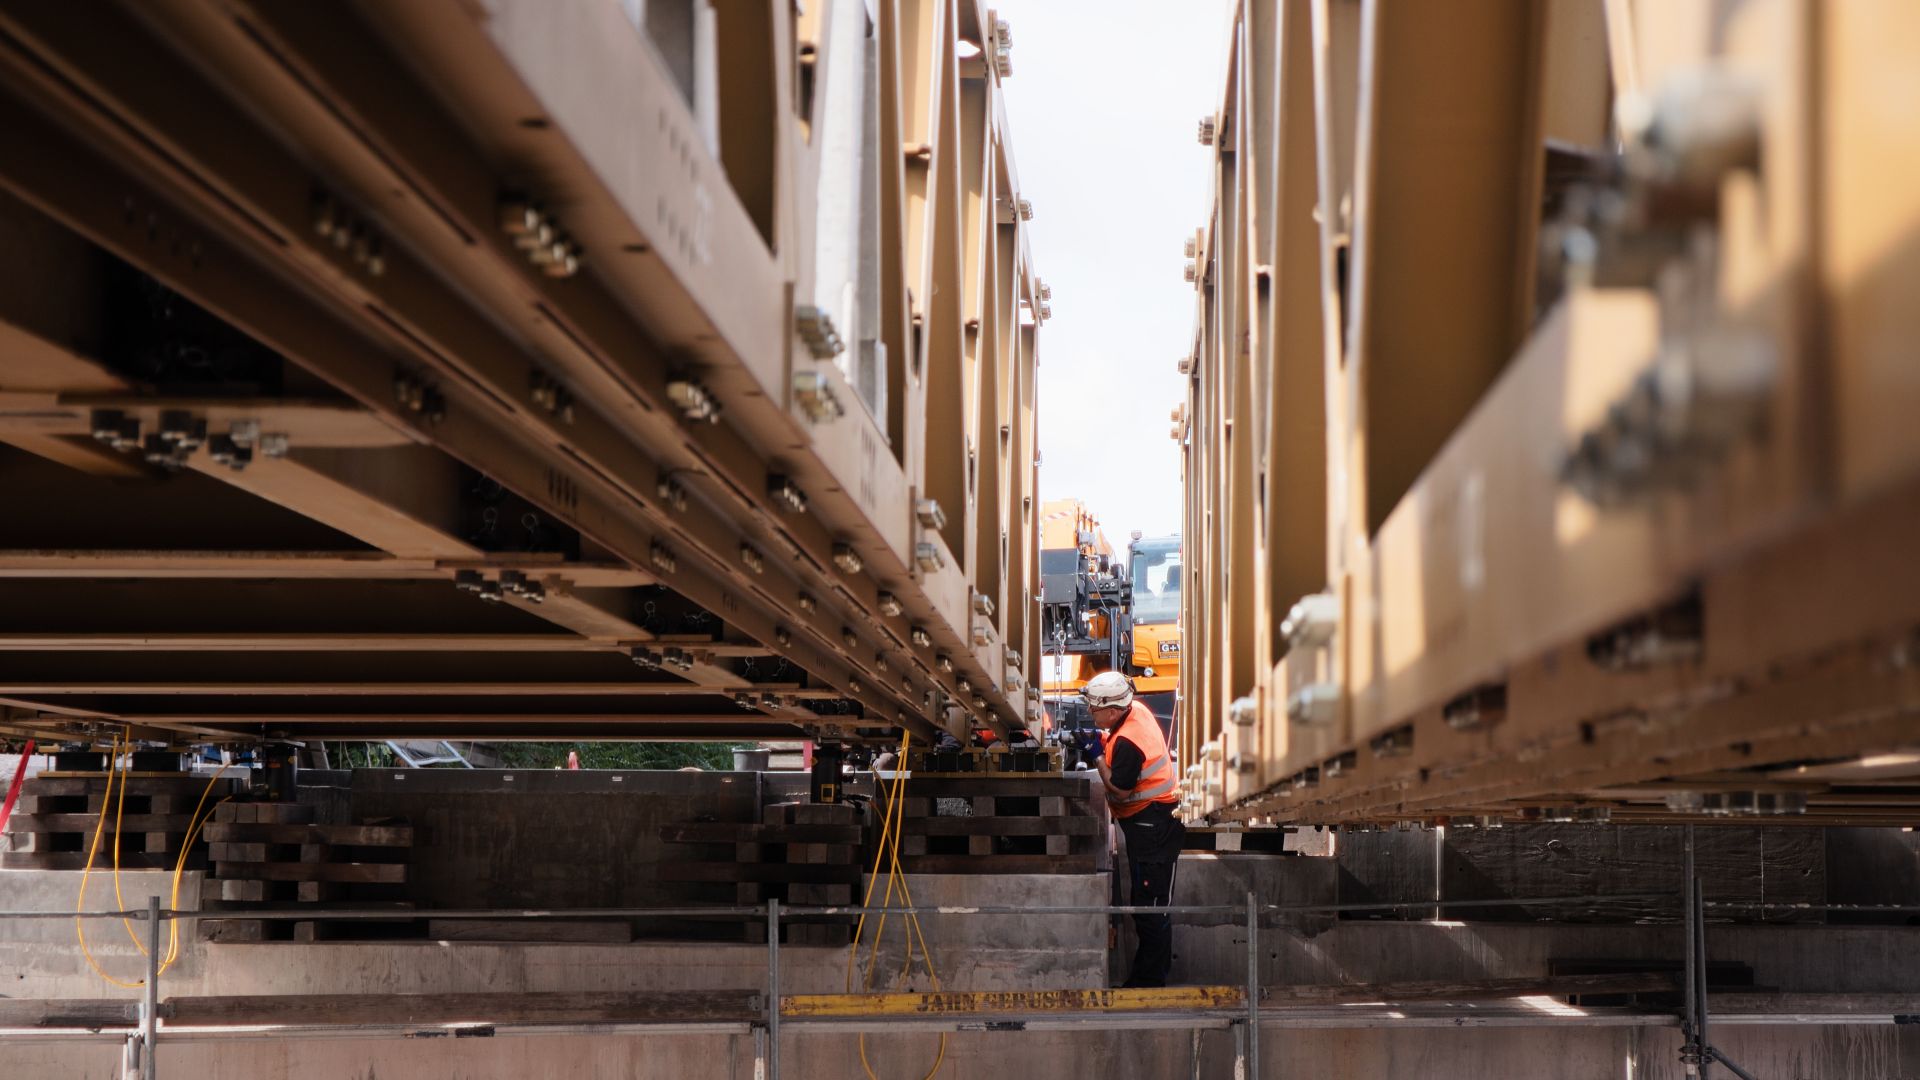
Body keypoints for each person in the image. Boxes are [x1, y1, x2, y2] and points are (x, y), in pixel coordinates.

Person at [1081, 670, 1185, 988]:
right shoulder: (1133, 712)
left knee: (1151, 909)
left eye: (1094, 709)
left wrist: (1096, 755)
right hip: (1150, 825)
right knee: (1146, 904)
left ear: (1113, 710)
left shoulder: (1127, 742)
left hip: (1153, 829)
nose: (1090, 712)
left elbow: (1120, 789)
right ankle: (1147, 977)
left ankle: (1149, 983)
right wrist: (1101, 741)